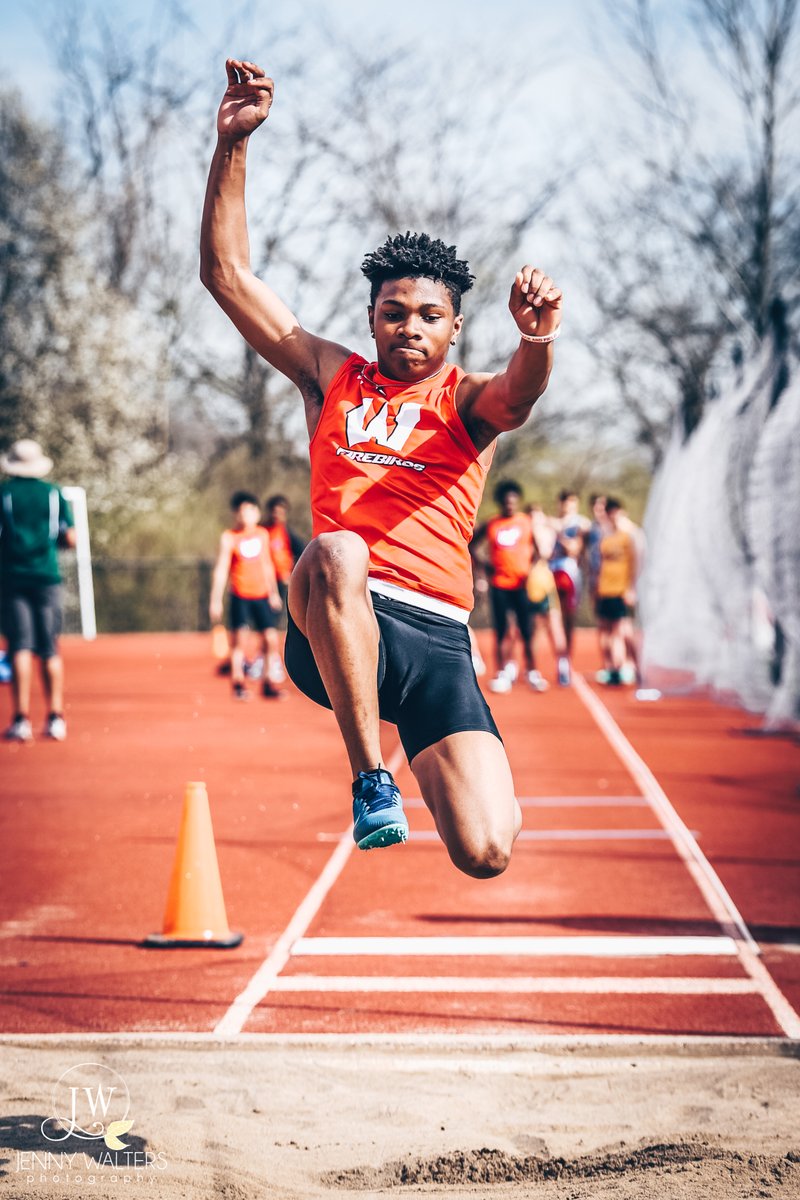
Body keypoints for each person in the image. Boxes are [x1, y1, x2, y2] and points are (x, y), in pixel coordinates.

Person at [200, 58, 561, 876]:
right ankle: (371, 781)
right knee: (336, 549)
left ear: (455, 328)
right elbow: (227, 276)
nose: (409, 327)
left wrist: (537, 339)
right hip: (333, 614)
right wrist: (234, 147)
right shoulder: (330, 377)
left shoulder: (468, 402)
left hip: (435, 638)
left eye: (429, 315)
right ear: (370, 318)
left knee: (488, 849)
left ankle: (455, 774)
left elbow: (520, 395)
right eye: (392, 312)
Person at [0, 439, 75, 742]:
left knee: (20, 647)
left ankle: (21, 718)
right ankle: (55, 716)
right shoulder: (53, 494)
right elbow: (69, 538)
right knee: (49, 649)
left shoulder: (4, 494)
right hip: (46, 578)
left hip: (12, 579)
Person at [472, 481, 546, 693]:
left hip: (521, 585)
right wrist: (485, 566)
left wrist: (531, 571)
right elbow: (472, 545)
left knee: (526, 629)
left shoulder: (526, 522)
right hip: (499, 584)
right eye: (506, 501)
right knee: (502, 630)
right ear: (501, 503)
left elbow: (539, 551)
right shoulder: (492, 523)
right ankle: (502, 672)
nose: (510, 505)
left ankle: (532, 671)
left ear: (518, 501)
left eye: (513, 501)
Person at [209, 491, 284, 701]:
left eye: (250, 510)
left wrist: (274, 594)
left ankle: (269, 683)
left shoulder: (262, 534)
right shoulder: (229, 537)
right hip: (240, 595)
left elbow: (268, 565)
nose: (245, 516)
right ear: (236, 515)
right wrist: (215, 600)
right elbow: (222, 569)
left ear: (257, 513)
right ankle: (238, 682)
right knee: (239, 641)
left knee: (270, 639)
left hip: (261, 595)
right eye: (241, 512)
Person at [594, 497, 638, 686]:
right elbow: (600, 564)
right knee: (606, 631)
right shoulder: (606, 537)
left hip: (621, 590)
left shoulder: (629, 536)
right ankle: (612, 668)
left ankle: (624, 668)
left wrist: (631, 588)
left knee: (620, 631)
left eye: (615, 513)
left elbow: (636, 563)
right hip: (605, 590)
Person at [528, 505, 571, 686]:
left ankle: (562, 666)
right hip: (531, 582)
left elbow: (546, 550)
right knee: (535, 628)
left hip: (545, 582)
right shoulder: (528, 531)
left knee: (554, 624)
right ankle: (532, 668)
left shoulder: (544, 531)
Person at [549, 489, 591, 660]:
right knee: (550, 616)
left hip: (569, 572)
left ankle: (566, 655)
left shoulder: (580, 524)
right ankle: (558, 655)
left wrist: (559, 533)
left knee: (569, 616)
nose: (567, 505)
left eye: (571, 501)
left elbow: (574, 550)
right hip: (550, 572)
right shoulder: (552, 521)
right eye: (564, 501)